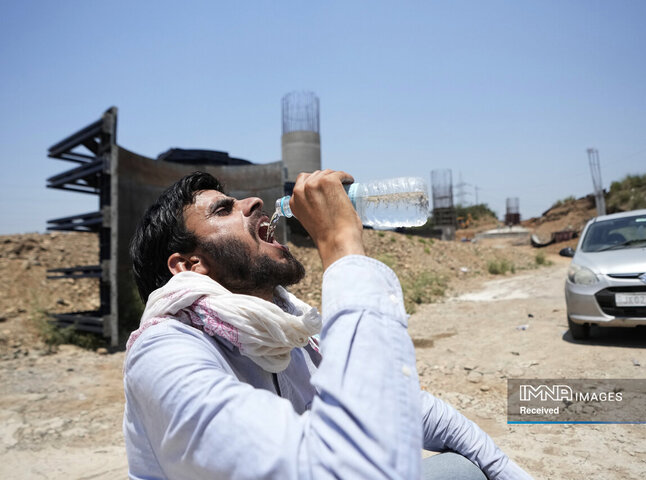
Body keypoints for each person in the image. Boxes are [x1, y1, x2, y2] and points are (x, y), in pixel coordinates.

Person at [123, 169, 532, 480]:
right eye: (223, 209)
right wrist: (341, 245)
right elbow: (351, 469)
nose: (251, 203)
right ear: (190, 265)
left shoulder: (289, 330)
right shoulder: (165, 353)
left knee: (462, 469)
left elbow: (413, 409)